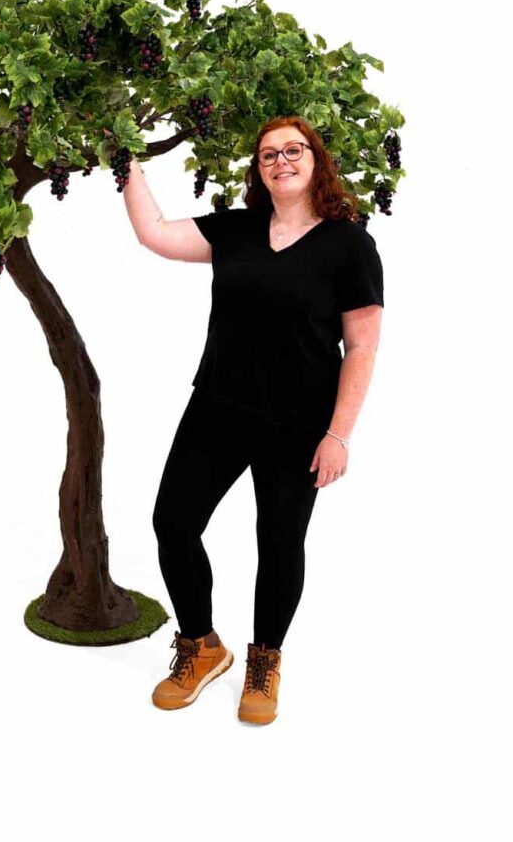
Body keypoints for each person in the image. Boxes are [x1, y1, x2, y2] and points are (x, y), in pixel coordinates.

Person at [122, 115, 385, 725]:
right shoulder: (236, 230)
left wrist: (339, 435)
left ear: (316, 161)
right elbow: (154, 233)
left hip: (299, 423)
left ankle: (265, 661)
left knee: (279, 543)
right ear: (258, 169)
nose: (281, 161)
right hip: (218, 406)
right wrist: (124, 159)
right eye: (268, 154)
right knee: (173, 524)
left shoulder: (350, 245)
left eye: (293, 150)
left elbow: (362, 346)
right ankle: (201, 648)